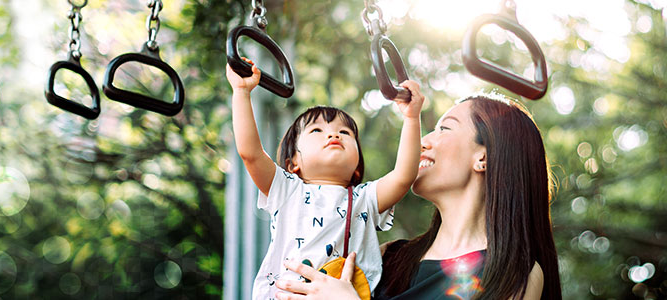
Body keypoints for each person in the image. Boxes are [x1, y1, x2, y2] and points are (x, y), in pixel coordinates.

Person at [274, 94, 562, 299]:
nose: (423, 142)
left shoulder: (514, 275)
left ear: (483, 157)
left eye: (444, 128)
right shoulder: (387, 258)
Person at [227, 57, 426, 299]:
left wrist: (411, 118)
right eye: (317, 130)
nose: (333, 134)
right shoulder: (286, 190)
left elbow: (404, 176)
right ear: (293, 164)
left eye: (344, 132)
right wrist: (241, 92)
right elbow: (250, 153)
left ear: (356, 168)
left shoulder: (364, 199)